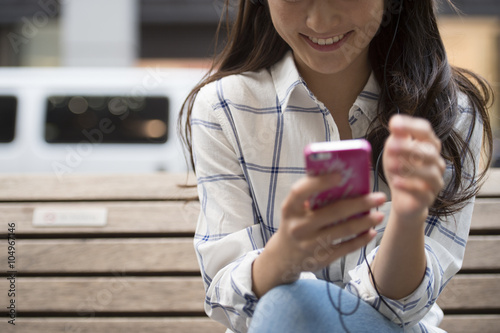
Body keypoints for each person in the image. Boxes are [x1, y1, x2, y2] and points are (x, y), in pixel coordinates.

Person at [178, 0, 493, 332]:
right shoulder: (223, 108)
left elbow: (399, 309)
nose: (320, 21)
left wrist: (408, 218)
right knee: (287, 307)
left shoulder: (447, 113)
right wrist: (285, 253)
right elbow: (227, 296)